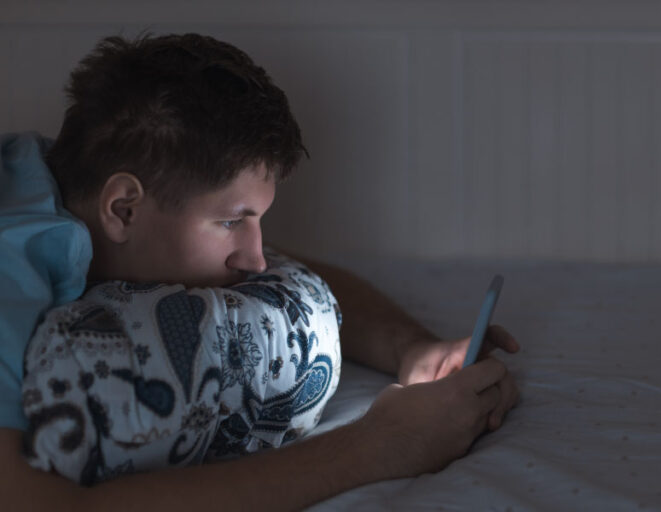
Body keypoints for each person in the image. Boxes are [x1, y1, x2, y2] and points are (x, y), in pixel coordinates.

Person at [0, 33, 520, 510]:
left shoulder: (46, 170)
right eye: (231, 221)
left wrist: (413, 349)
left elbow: (293, 264)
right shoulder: (12, 271)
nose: (257, 260)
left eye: (256, 222)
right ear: (123, 209)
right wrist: (378, 448)